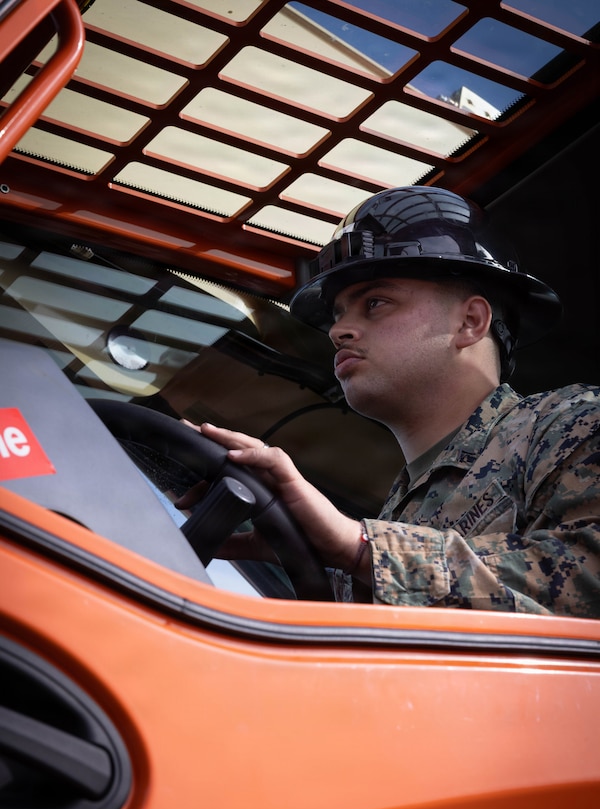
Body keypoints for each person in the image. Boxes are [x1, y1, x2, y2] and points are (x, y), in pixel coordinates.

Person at [190, 186, 600, 616]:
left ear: (470, 321)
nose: (338, 331)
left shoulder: (571, 424)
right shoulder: (396, 513)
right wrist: (307, 551)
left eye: (375, 303)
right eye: (338, 315)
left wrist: (359, 549)